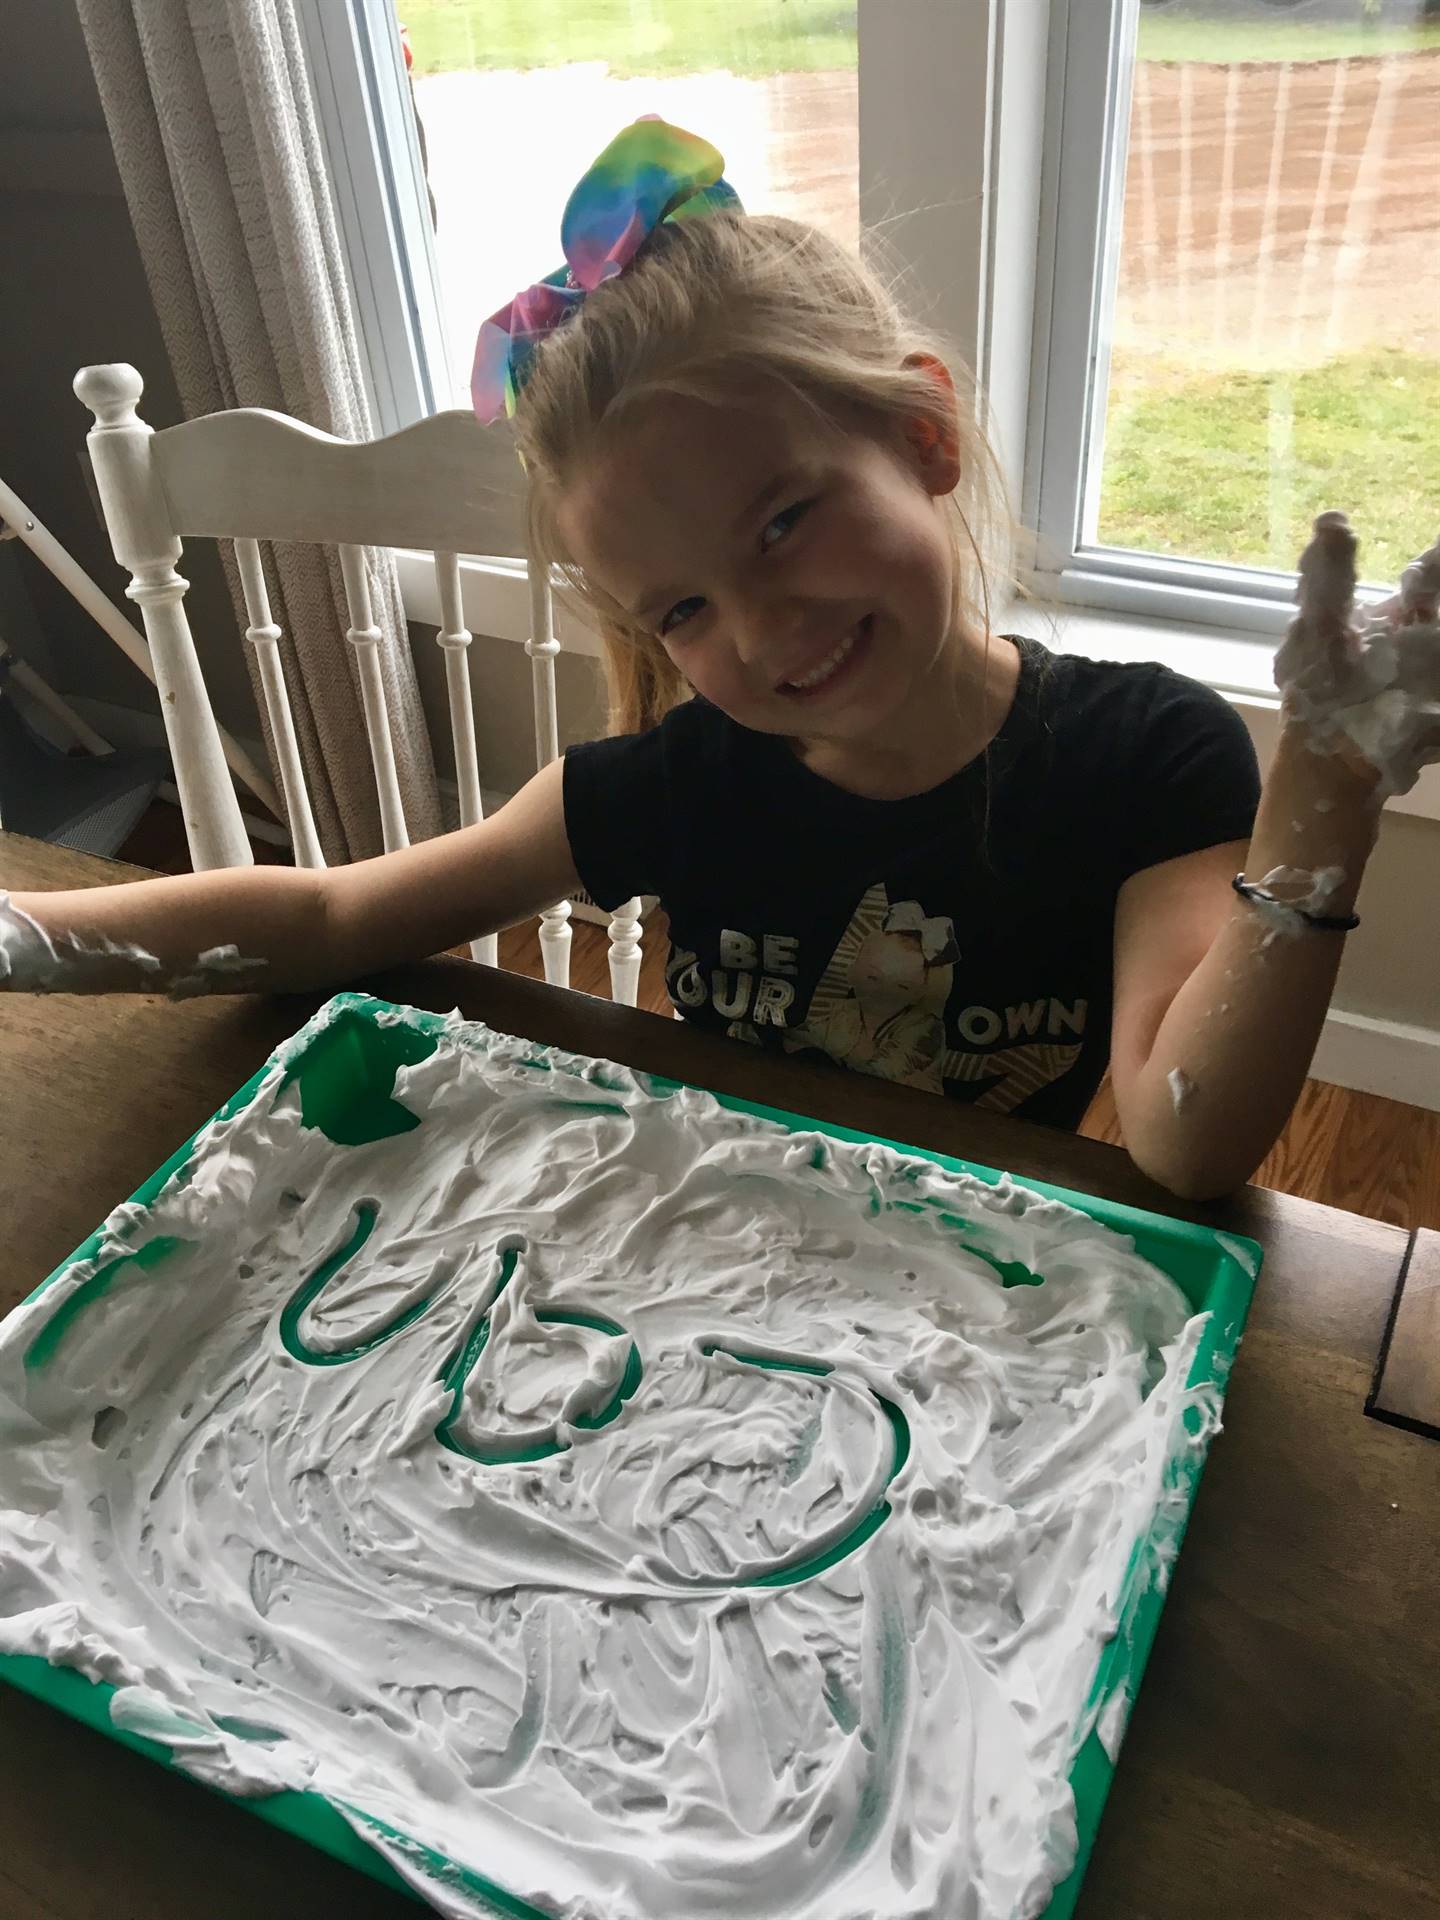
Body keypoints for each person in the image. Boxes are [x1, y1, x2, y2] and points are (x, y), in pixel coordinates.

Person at [3, 119, 1435, 1201]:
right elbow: (328, 920)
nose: (758, 633)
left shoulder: (1143, 760)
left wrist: (1322, 809)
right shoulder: (680, 785)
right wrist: (23, 934)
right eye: (679, 611)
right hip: (708, 1236)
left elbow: (1186, 1140)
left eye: (786, 521)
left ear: (923, 439)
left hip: (972, 1263)